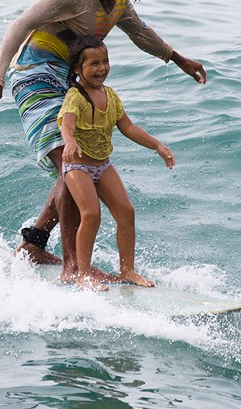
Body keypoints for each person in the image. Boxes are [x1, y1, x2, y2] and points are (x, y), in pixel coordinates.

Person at [0, 0, 205, 282]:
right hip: (35, 75)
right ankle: (72, 267)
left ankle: (34, 244)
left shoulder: (118, 2)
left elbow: (142, 34)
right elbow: (21, 25)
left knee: (75, 167)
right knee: (72, 163)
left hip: (70, 80)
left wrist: (178, 59)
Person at [58, 36, 174, 291]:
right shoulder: (75, 97)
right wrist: (69, 142)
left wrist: (157, 145)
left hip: (102, 164)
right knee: (90, 214)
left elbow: (129, 128)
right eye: (94, 64)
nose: (102, 68)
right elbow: (67, 125)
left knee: (126, 212)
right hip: (78, 166)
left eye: (105, 62)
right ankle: (83, 274)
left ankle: (128, 270)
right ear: (77, 69)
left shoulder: (110, 96)